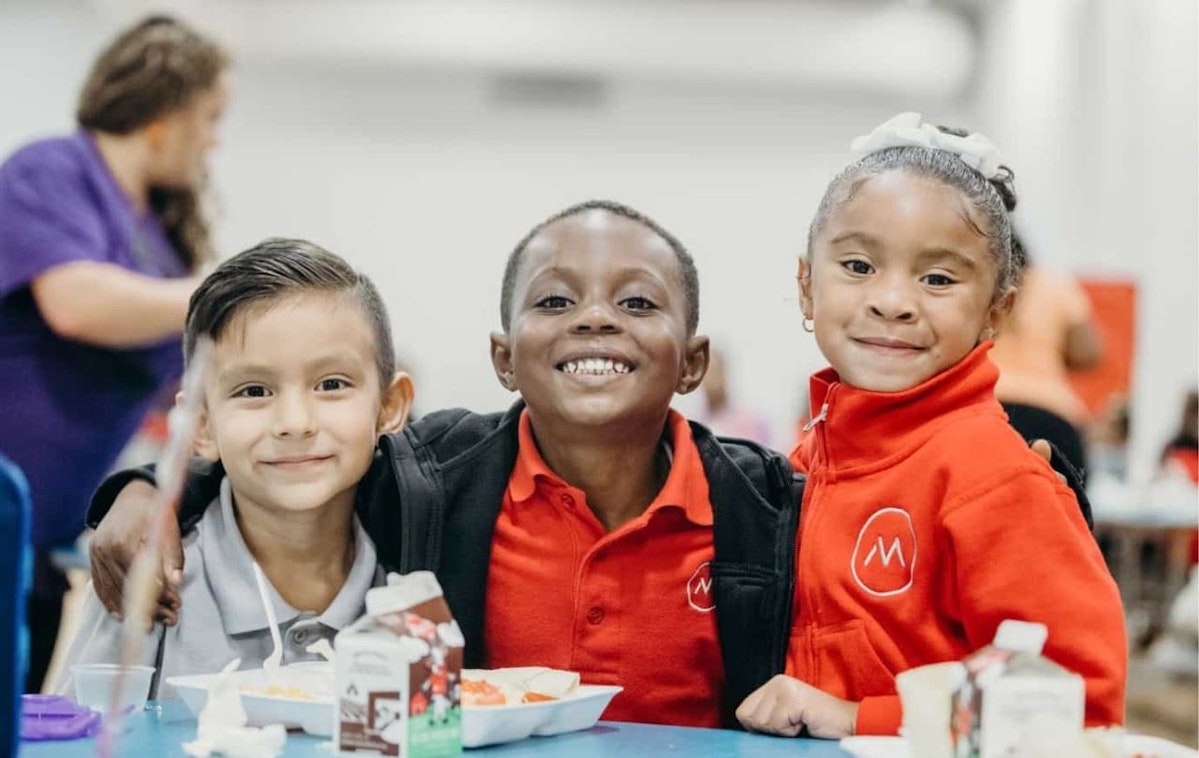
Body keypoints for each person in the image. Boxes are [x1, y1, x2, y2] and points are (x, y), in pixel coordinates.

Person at [83, 200, 801, 728]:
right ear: (502, 359)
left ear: (693, 363)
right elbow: (283, 463)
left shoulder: (763, 505)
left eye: (636, 301)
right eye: (555, 299)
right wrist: (149, 491)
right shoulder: (435, 484)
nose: (595, 318)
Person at [735, 114, 1126, 739]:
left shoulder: (993, 477)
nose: (893, 300)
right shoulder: (805, 462)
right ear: (807, 286)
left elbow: (1077, 696)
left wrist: (861, 718)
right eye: (859, 266)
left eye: (938, 278)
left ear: (997, 309)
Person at [58, 239, 414, 698]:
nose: (294, 423)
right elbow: (82, 738)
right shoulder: (148, 576)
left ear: (389, 406)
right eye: (253, 391)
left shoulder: (419, 575)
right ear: (200, 426)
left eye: (331, 384)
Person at [0, 16, 229, 693]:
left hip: (38, 549)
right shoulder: (52, 170)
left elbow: (183, 385)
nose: (214, 141)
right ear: (165, 112)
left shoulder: (155, 238)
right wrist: (216, 293)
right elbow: (75, 303)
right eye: (211, 117)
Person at [990, 233, 1103, 477]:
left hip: (987, 409)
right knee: (1065, 509)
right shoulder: (1055, 285)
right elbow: (1088, 353)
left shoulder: (980, 287)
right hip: (1053, 418)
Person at [695, 347, 772, 445]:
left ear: (724, 372)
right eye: (705, 373)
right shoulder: (694, 425)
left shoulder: (750, 422)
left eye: (714, 371)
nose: (710, 380)